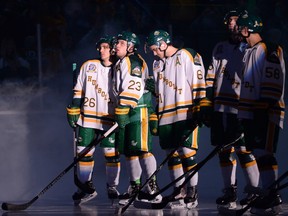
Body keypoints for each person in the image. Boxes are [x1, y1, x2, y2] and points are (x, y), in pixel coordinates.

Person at [203, 9, 260, 210]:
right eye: (229, 22)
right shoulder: (219, 47)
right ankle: (230, 190)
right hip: (221, 108)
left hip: (240, 107)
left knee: (244, 151)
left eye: (235, 21)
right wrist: (208, 103)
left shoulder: (251, 49)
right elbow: (210, 77)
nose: (231, 25)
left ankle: (255, 191)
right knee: (223, 151)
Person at [145, 30, 206, 209]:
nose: (154, 53)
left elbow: (198, 82)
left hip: (185, 111)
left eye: (155, 49)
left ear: (164, 44)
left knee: (187, 153)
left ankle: (193, 191)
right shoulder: (157, 64)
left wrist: (200, 106)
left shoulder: (187, 54)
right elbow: (160, 92)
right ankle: (180, 190)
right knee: (171, 155)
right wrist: (156, 111)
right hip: (166, 114)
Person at [237, 13, 285, 215]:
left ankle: (272, 195)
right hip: (251, 111)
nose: (239, 32)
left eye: (241, 28)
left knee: (265, 153)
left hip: (265, 110)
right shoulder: (250, 51)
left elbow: (273, 79)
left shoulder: (269, 48)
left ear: (247, 29)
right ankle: (267, 193)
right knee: (257, 152)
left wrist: (264, 105)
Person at [66, 35, 120, 205]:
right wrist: (74, 107)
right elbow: (78, 89)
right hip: (87, 117)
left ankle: (112, 187)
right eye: (100, 47)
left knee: (110, 154)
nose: (101, 50)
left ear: (112, 48)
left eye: (104, 46)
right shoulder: (88, 65)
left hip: (109, 118)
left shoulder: (120, 68)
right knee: (83, 153)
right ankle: (84, 186)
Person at [112, 31, 162, 205]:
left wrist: (123, 109)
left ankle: (153, 188)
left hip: (137, 110)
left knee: (142, 149)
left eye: (121, 43)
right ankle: (135, 187)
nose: (116, 45)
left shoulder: (131, 60)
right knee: (130, 152)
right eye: (116, 42)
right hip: (126, 110)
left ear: (131, 46)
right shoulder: (120, 62)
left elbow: (132, 88)